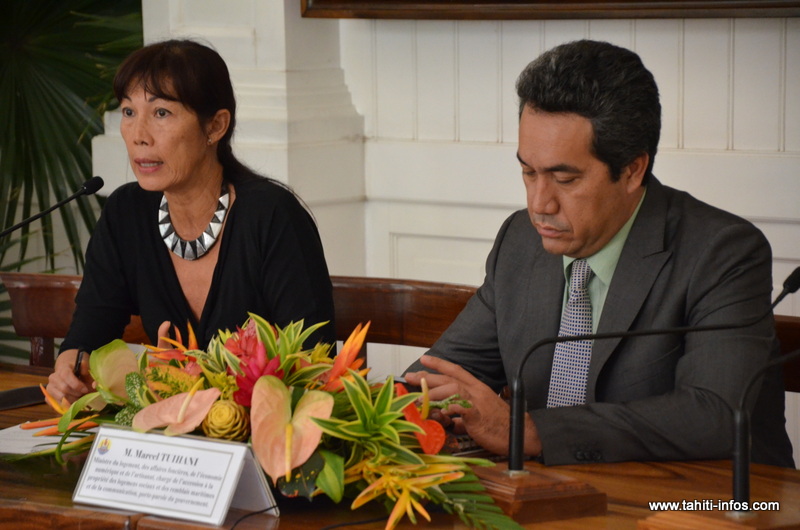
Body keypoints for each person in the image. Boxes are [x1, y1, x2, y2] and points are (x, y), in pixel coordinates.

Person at [404, 39, 794, 467]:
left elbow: (713, 415)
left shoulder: (722, 252)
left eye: (564, 179)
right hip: (544, 498)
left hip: (701, 504)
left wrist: (529, 431)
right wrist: (375, 410)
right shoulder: (520, 239)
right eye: (528, 172)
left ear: (632, 170)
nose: (539, 204)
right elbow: (441, 374)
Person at [47, 39, 336, 403]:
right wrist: (71, 369)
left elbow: (315, 362)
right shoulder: (126, 214)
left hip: (265, 437)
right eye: (128, 112)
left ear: (215, 126)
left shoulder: (272, 216)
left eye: (161, 113)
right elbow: (89, 336)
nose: (138, 136)